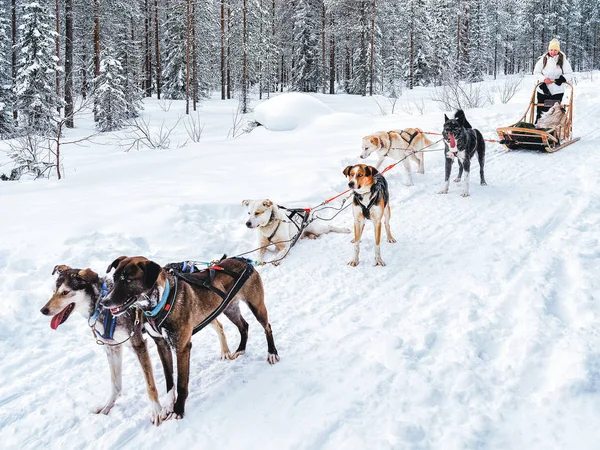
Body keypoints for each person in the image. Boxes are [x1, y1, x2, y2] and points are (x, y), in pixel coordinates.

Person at [533, 38, 573, 122]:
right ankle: (538, 128)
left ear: (558, 50)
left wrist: (562, 79)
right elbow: (536, 72)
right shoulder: (543, 59)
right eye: (551, 50)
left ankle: (552, 131)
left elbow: (569, 73)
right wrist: (543, 79)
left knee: (554, 113)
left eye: (555, 50)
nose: (553, 52)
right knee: (541, 111)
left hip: (557, 91)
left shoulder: (563, 60)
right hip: (543, 89)